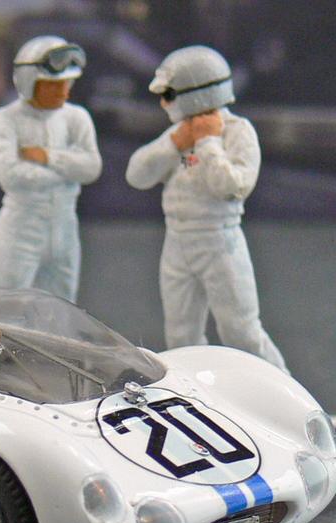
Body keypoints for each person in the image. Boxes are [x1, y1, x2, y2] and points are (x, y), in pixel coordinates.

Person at [125, 45, 287, 370]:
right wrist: (175, 143)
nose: (164, 103)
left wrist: (208, 142)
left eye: (169, 94)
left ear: (197, 93)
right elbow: (137, 175)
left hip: (219, 242)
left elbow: (231, 187)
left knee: (241, 331)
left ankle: (285, 387)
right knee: (181, 335)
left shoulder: (237, 132)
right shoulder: (178, 135)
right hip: (177, 241)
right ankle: (193, 391)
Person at [0, 35, 102, 303]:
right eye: (53, 85)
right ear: (29, 82)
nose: (63, 92)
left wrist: (47, 157)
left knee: (62, 307)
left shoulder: (76, 118)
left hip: (65, 227)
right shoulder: (3, 121)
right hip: (21, 227)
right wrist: (68, 172)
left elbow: (92, 168)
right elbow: (12, 176)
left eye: (66, 84)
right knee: (4, 305)